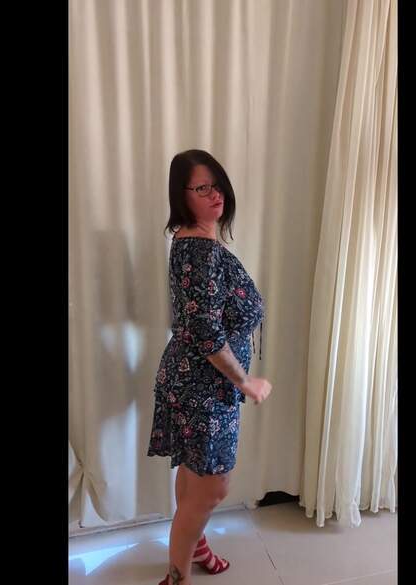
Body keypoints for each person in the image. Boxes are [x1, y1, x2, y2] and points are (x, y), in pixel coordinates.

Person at [147, 149, 273, 585]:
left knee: (194, 477)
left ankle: (195, 549)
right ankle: (177, 578)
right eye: (202, 188)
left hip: (193, 381)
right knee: (212, 487)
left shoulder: (192, 242)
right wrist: (246, 382)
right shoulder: (199, 251)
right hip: (205, 387)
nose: (215, 193)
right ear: (182, 196)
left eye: (216, 184)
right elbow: (205, 333)